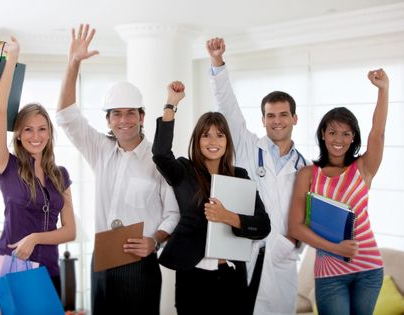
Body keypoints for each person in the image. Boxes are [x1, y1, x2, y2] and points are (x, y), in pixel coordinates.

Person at [55, 24, 180, 315]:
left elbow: (173, 213)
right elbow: (65, 115)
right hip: (101, 259)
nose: (123, 120)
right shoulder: (100, 149)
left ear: (142, 117)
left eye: (130, 113)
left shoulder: (159, 159)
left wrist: (155, 241)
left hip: (140, 263)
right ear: (109, 120)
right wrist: (73, 63)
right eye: (116, 114)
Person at [152, 81, 271, 315]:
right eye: (206, 136)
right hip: (193, 277)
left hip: (232, 277)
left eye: (220, 136)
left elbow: (263, 225)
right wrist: (171, 104)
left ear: (227, 142)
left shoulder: (240, 176)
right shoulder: (184, 171)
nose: (213, 142)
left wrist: (228, 217)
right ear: (197, 141)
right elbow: (160, 154)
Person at [207, 37, 307, 314]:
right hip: (249, 253)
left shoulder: (306, 166)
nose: (277, 121)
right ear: (262, 119)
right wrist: (217, 62)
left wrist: (294, 246)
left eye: (284, 114)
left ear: (294, 118)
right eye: (271, 115)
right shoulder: (249, 147)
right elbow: (227, 105)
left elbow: (310, 216)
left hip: (285, 259)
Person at [288, 69, 388, 315]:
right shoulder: (308, 174)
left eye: (346, 133)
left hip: (369, 269)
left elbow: (379, 132)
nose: (338, 139)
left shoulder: (363, 168)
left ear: (353, 136)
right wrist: (336, 249)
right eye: (332, 132)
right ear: (323, 134)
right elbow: (295, 227)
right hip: (329, 274)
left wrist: (383, 90)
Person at [0, 36, 76, 295]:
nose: (35, 136)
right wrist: (12, 59)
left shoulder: (60, 175)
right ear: (17, 133)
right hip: (13, 266)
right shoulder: (6, 165)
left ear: (50, 133)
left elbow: (70, 231)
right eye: (27, 129)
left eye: (41, 129)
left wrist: (36, 237)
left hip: (49, 271)